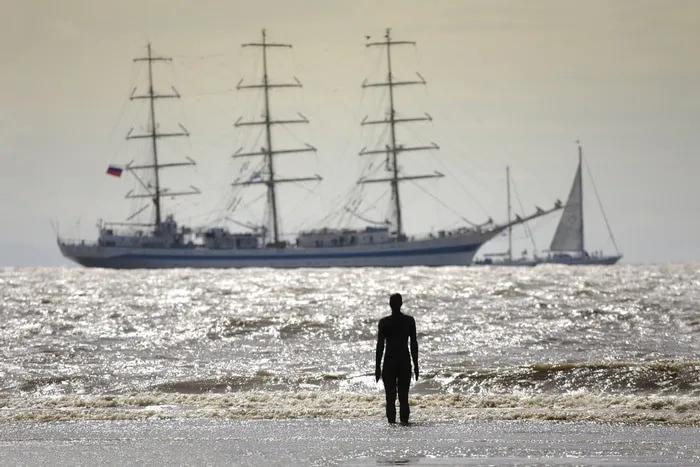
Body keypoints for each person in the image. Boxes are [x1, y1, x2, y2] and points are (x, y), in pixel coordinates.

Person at [375, 293, 419, 424]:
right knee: (403, 397)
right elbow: (413, 344)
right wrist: (416, 364)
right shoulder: (409, 321)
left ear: (390, 304)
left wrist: (377, 366)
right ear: (401, 304)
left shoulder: (384, 322)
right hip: (404, 361)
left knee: (390, 398)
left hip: (389, 362)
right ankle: (404, 424)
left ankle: (392, 425)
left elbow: (380, 346)